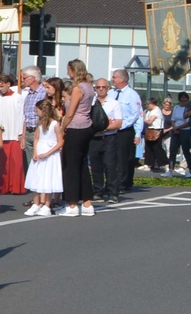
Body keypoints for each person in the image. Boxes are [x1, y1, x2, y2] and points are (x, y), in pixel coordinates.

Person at [60, 59, 100, 216]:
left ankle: (72, 204)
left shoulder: (78, 89)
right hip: (87, 127)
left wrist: (62, 128)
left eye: (69, 70)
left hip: (75, 127)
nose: (67, 73)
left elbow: (70, 112)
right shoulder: (89, 87)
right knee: (82, 165)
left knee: (71, 166)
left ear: (74, 70)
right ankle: (87, 203)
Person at [25, 81, 67, 215]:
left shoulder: (55, 124)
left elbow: (60, 142)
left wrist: (48, 153)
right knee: (36, 177)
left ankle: (47, 205)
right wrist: (35, 152)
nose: (36, 113)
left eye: (37, 110)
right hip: (40, 152)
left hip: (50, 154)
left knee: (48, 179)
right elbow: (36, 138)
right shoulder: (39, 124)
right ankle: (36, 203)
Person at [0, 74, 26, 210]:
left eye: (2, 86)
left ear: (8, 84)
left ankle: (16, 187)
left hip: (15, 133)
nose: (0, 89)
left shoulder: (17, 97)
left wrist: (21, 134)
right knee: (3, 163)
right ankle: (3, 187)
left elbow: (21, 116)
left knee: (16, 162)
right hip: (2, 134)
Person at [108, 70, 145, 196]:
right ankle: (113, 181)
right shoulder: (111, 93)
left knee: (123, 157)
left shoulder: (132, 95)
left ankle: (123, 183)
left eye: (114, 77)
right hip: (111, 129)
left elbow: (136, 115)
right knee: (112, 157)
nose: (112, 79)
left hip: (125, 129)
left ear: (122, 79)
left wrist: (137, 133)